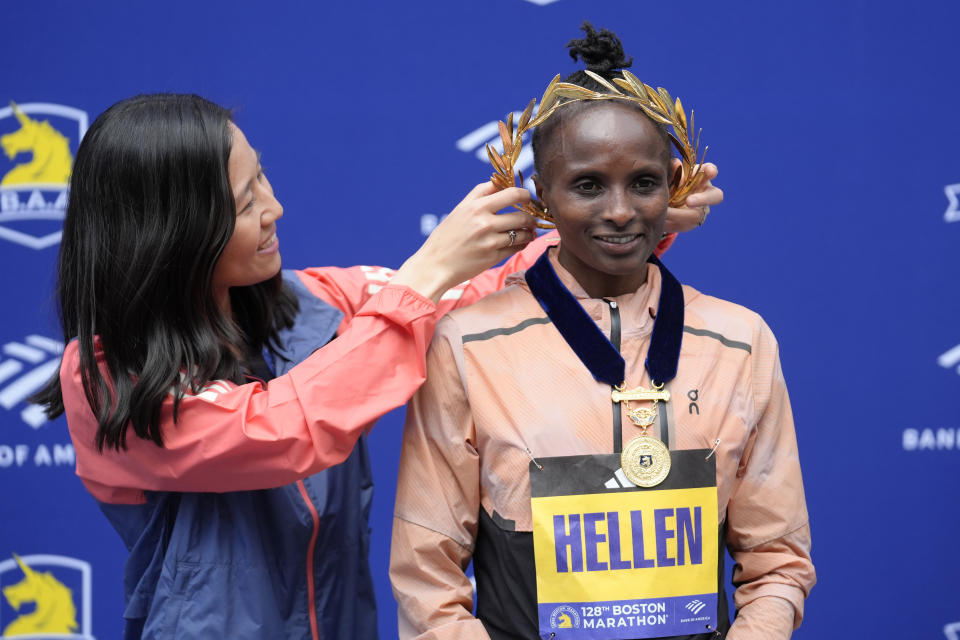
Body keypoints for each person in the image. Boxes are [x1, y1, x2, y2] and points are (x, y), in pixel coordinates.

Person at [29, 92, 724, 639]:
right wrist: (425, 271)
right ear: (170, 229)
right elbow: (279, 431)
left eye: (262, 175)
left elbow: (478, 297)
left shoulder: (311, 303)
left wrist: (623, 229)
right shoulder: (106, 376)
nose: (275, 207)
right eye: (244, 202)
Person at [390, 24, 814, 640]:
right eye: (588, 185)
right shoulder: (468, 344)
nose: (620, 210)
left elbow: (778, 562)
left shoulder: (740, 341)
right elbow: (427, 577)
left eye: (643, 183)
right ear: (542, 198)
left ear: (674, 185)